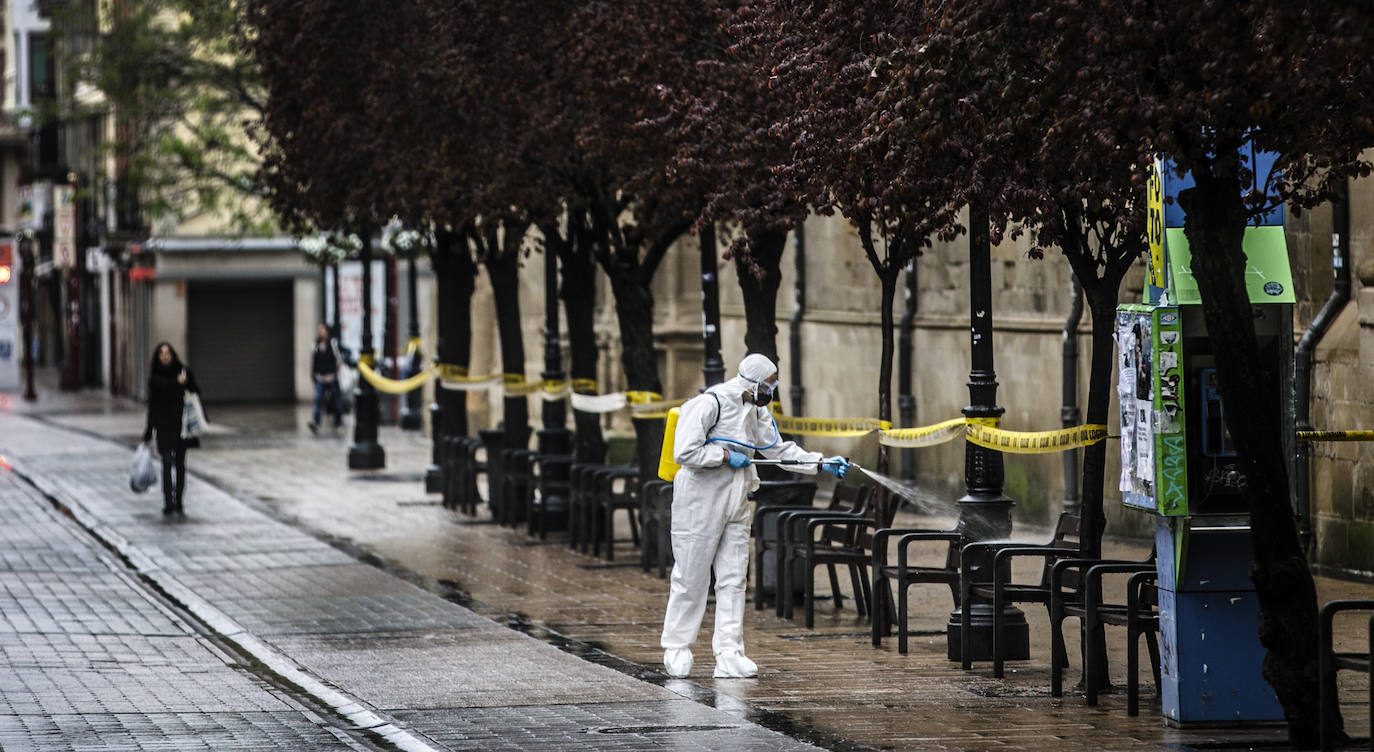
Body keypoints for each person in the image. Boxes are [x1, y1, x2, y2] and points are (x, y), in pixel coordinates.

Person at [661, 353, 850, 679]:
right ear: (752, 382)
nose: (771, 391)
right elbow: (684, 452)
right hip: (699, 500)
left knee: (734, 579)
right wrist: (722, 455)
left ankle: (730, 652)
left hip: (737, 499)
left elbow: (780, 451)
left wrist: (820, 463)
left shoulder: (759, 412)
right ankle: (677, 647)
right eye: (768, 385)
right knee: (691, 577)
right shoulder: (712, 403)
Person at [141, 342, 201, 516]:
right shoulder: (155, 378)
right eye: (162, 353)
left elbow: (195, 390)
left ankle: (179, 501)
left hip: (181, 427)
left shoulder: (183, 371)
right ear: (158, 357)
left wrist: (186, 382)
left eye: (168, 353)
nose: (165, 356)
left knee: (181, 465)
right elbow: (153, 405)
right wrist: (148, 431)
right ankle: (168, 501)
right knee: (167, 463)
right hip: (163, 426)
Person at [309, 323, 344, 434]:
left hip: (332, 377)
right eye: (319, 329)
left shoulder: (333, 343)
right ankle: (316, 423)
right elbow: (314, 361)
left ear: (327, 330)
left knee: (336, 401)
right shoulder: (316, 344)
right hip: (320, 377)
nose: (320, 331)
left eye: (322, 329)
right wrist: (314, 375)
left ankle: (338, 424)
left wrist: (334, 373)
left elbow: (339, 360)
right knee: (318, 400)